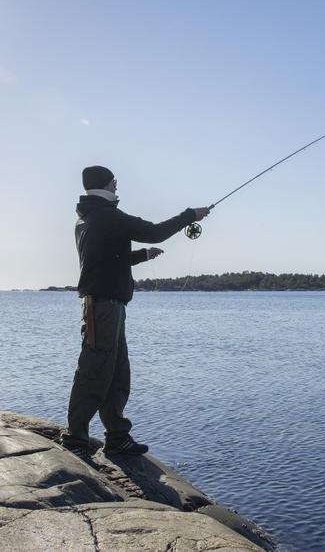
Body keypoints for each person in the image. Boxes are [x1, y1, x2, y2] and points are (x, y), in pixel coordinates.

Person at [64, 165, 210, 457]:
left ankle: (117, 436)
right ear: (105, 185)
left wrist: (142, 256)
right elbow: (153, 232)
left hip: (110, 305)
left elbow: (109, 259)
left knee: (118, 372)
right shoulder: (107, 215)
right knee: (94, 370)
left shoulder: (91, 217)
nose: (117, 186)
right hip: (102, 305)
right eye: (114, 182)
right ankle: (76, 439)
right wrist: (189, 216)